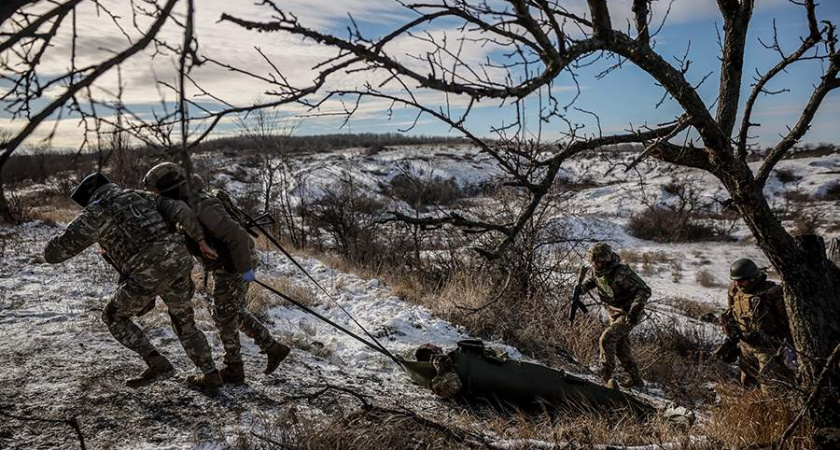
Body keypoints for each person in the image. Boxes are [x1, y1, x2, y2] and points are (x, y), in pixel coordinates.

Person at [43, 172, 222, 391]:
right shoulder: (142, 196)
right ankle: (211, 373)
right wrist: (200, 240)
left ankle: (157, 363)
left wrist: (72, 229)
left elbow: (53, 254)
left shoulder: (94, 214)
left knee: (113, 317)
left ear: (87, 199)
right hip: (178, 263)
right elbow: (179, 210)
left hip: (146, 274)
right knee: (185, 322)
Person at [142, 163, 290, 385]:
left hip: (235, 264)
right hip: (228, 264)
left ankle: (234, 369)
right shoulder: (186, 204)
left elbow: (238, 237)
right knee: (230, 311)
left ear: (168, 187)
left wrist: (245, 270)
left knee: (223, 313)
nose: (156, 195)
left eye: (157, 191)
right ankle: (272, 348)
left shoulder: (202, 205)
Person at [715, 258, 795, 392]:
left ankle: (775, 411)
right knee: (747, 385)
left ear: (752, 278)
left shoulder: (772, 292)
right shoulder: (734, 290)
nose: (737, 284)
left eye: (740, 281)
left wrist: (790, 347)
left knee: (770, 387)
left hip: (768, 347)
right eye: (735, 280)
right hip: (746, 345)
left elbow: (787, 321)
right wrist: (731, 338)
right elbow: (733, 312)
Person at [579, 242, 650, 389]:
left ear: (605, 260)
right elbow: (594, 280)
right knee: (620, 347)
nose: (594, 264)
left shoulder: (621, 272)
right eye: (593, 261)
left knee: (607, 338)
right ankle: (636, 380)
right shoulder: (597, 269)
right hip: (614, 312)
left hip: (628, 313)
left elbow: (644, 290)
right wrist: (583, 288)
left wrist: (634, 310)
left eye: (597, 261)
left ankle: (605, 377)